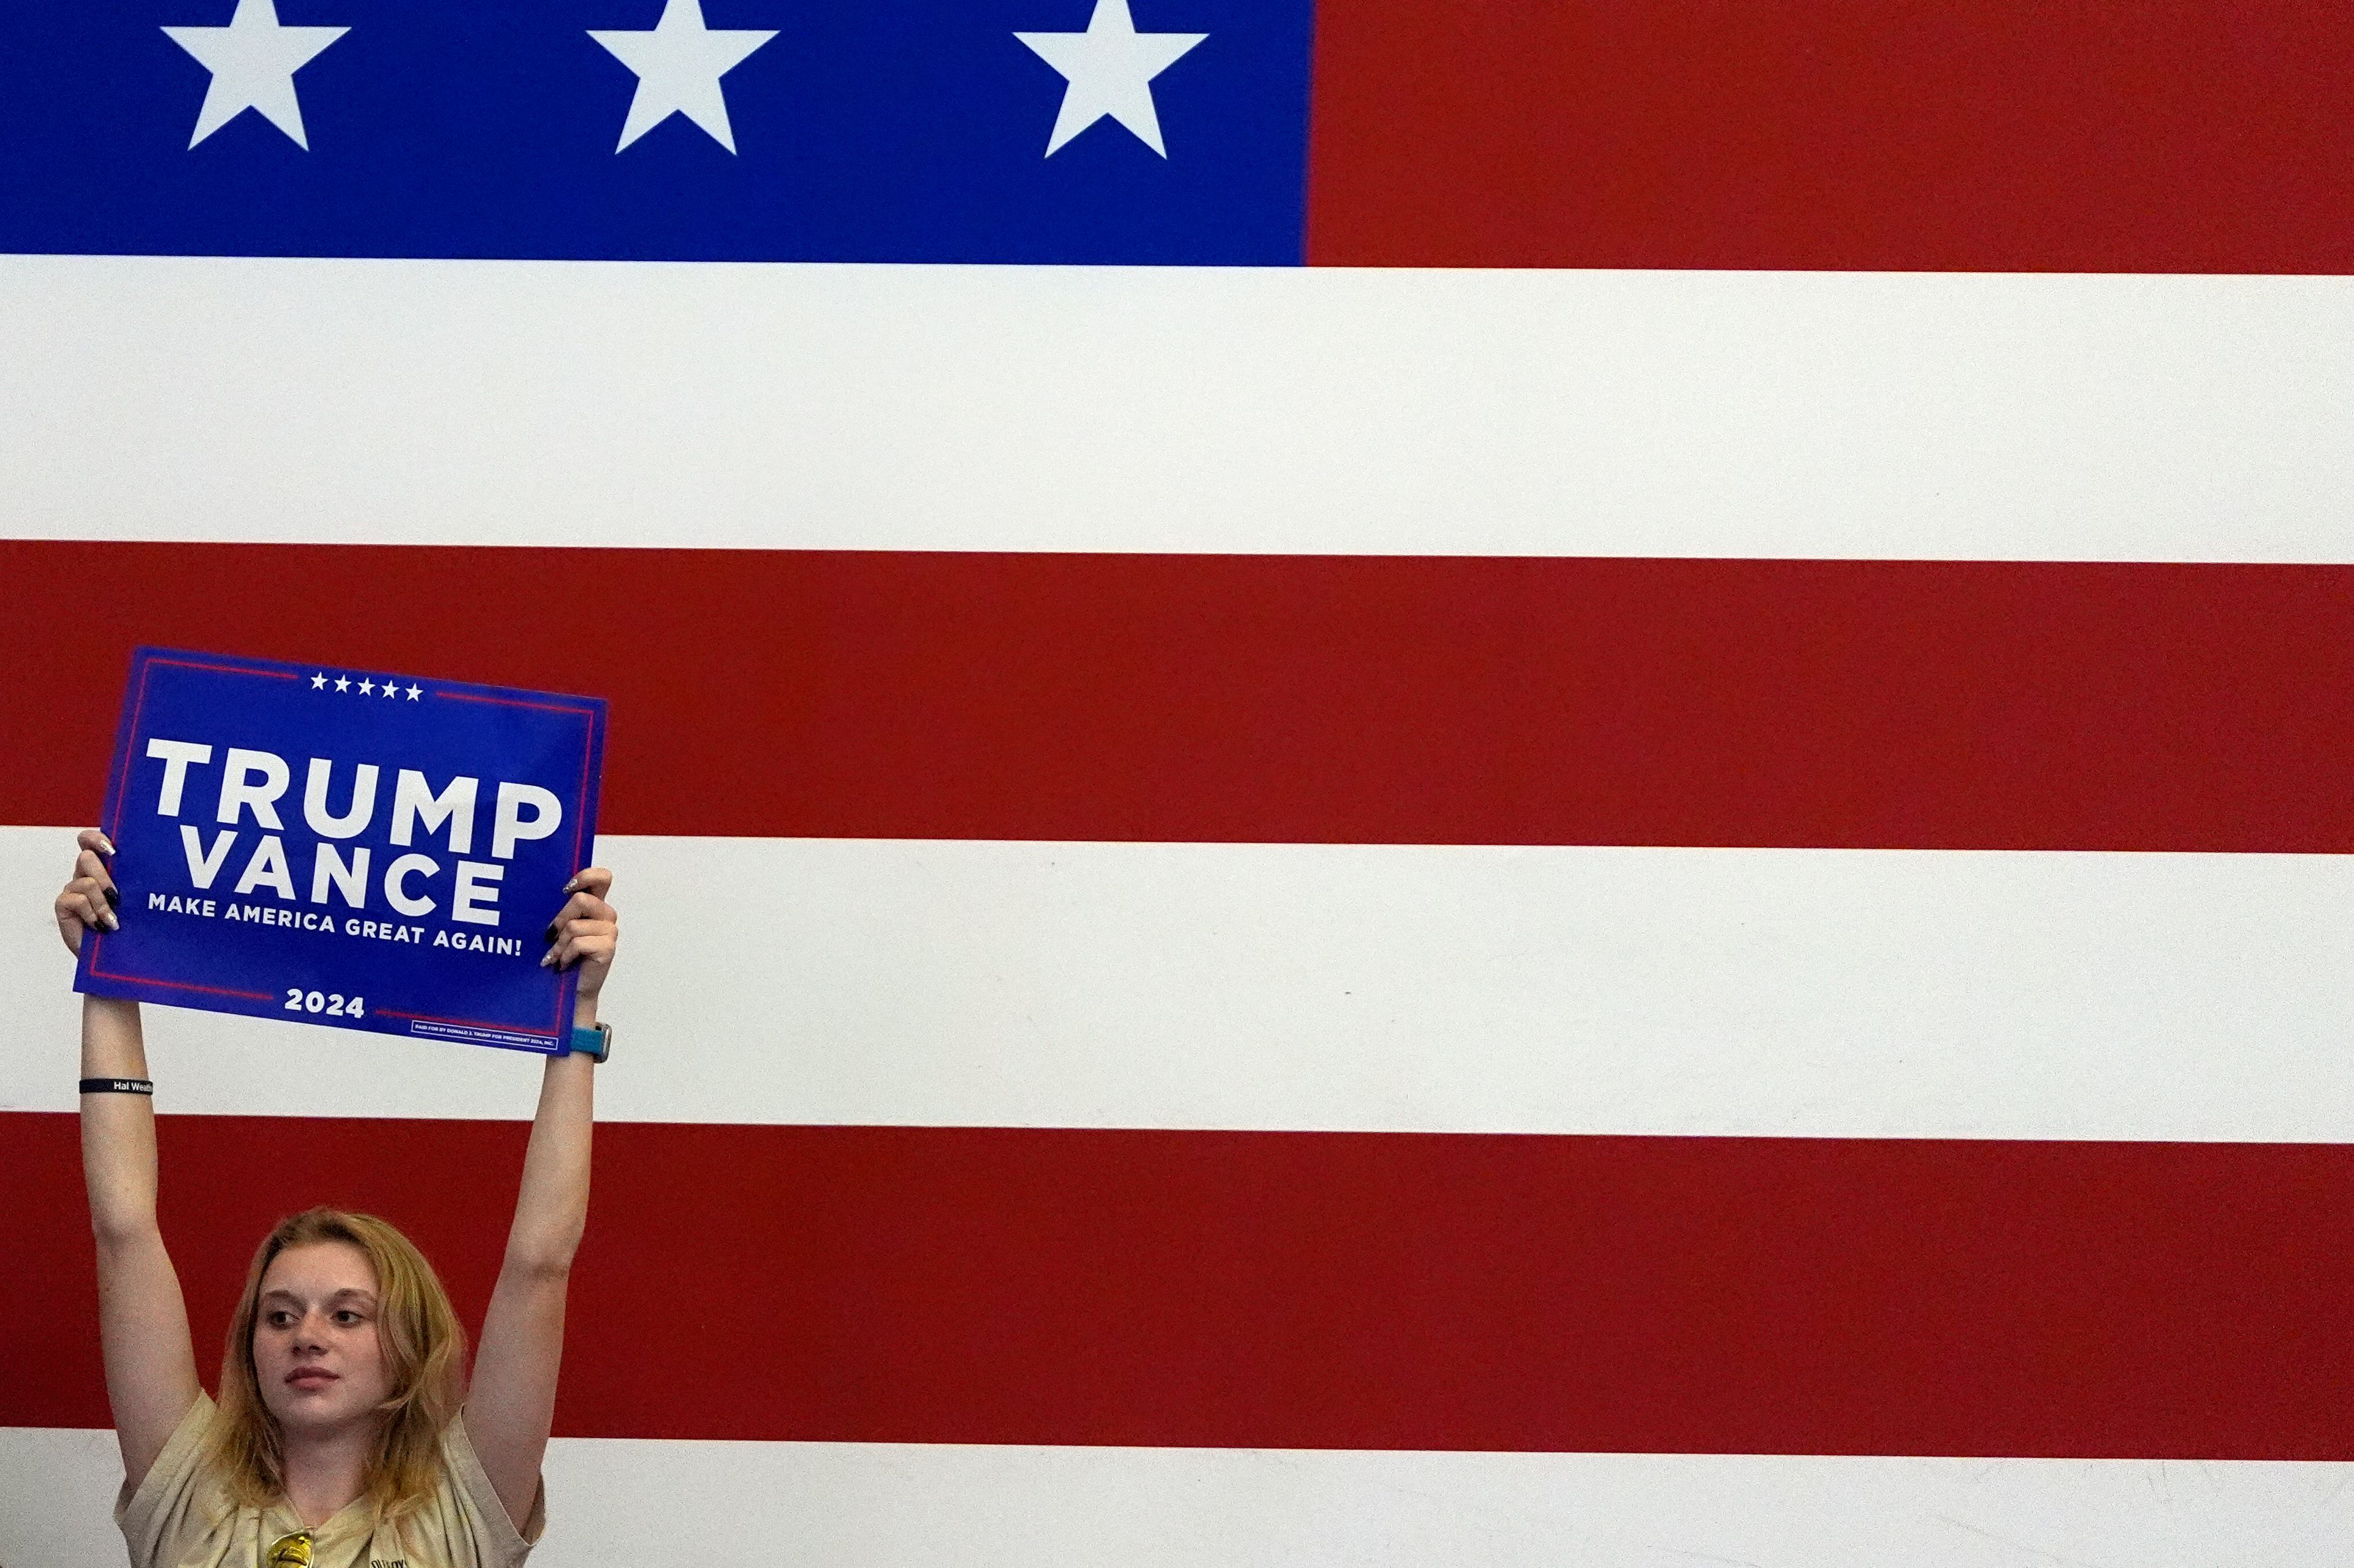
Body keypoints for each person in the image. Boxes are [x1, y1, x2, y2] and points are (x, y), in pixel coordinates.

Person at [53, 828, 620, 1567]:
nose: (306, 1335)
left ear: (410, 1342)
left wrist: (576, 1012)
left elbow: (540, 1260)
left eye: (347, 1313)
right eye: (279, 1313)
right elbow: (125, 1228)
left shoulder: (466, 1505)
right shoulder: (187, 1486)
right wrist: (109, 967)